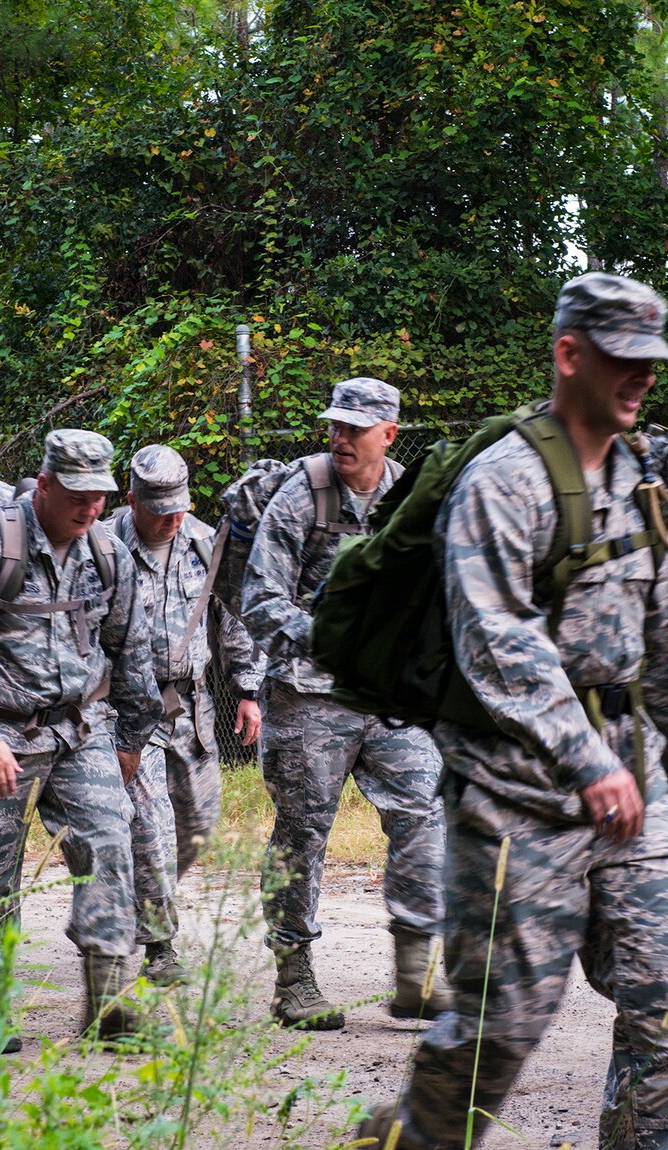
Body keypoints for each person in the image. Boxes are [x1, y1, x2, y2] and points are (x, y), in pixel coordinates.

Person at [358, 272, 668, 1149]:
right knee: (490, 1043)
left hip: (637, 802)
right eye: (623, 360)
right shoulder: (504, 480)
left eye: (651, 363)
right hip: (515, 801)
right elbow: (496, 642)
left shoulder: (644, 478)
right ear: (569, 356)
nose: (642, 378)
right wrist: (584, 758)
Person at [0, 429, 160, 1050]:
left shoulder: (105, 552)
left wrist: (133, 735)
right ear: (46, 484)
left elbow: (129, 645)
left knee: (111, 845)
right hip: (1, 733)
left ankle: (109, 1003)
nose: (91, 508)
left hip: (80, 730)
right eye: (79, 495)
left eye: (101, 496)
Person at [242, 377, 449, 1029]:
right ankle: (294, 978)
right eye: (334, 425)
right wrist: (330, 636)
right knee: (303, 832)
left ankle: (415, 973)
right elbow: (259, 601)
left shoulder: (409, 497)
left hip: (385, 696)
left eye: (354, 429)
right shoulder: (300, 494)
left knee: (422, 809)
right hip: (308, 695)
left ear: (389, 434)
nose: (339, 438)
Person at [108, 445, 263, 985]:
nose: (171, 518)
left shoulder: (202, 541)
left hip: (192, 708)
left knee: (197, 827)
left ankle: (133, 906)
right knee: (151, 827)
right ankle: (160, 946)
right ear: (132, 499)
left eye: (179, 505)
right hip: (127, 710)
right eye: (159, 509)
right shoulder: (104, 546)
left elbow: (233, 615)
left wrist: (248, 689)